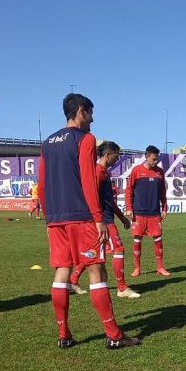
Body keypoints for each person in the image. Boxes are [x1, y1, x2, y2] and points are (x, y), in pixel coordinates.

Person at [39, 93, 139, 349]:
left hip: (56, 218)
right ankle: (114, 335)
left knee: (62, 271)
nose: (93, 119)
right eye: (91, 113)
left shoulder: (48, 142)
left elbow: (42, 183)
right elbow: (87, 177)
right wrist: (98, 219)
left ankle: (64, 335)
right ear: (81, 110)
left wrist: (49, 215)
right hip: (82, 217)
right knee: (97, 270)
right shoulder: (85, 138)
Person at [69, 141, 141, 299]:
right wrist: (98, 219)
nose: (118, 159)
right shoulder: (97, 172)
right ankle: (122, 288)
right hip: (102, 220)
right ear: (108, 155)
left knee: (93, 252)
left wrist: (121, 216)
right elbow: (90, 197)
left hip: (104, 218)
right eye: (117, 155)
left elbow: (109, 200)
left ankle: (73, 280)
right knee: (118, 249)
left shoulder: (105, 173)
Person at [124, 145, 170, 277]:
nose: (155, 161)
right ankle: (137, 268)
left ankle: (160, 267)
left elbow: (162, 192)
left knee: (158, 239)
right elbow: (129, 190)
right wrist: (128, 208)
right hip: (139, 212)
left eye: (157, 159)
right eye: (153, 159)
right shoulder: (136, 171)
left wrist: (164, 208)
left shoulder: (160, 172)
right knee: (137, 239)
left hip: (154, 212)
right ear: (146, 157)